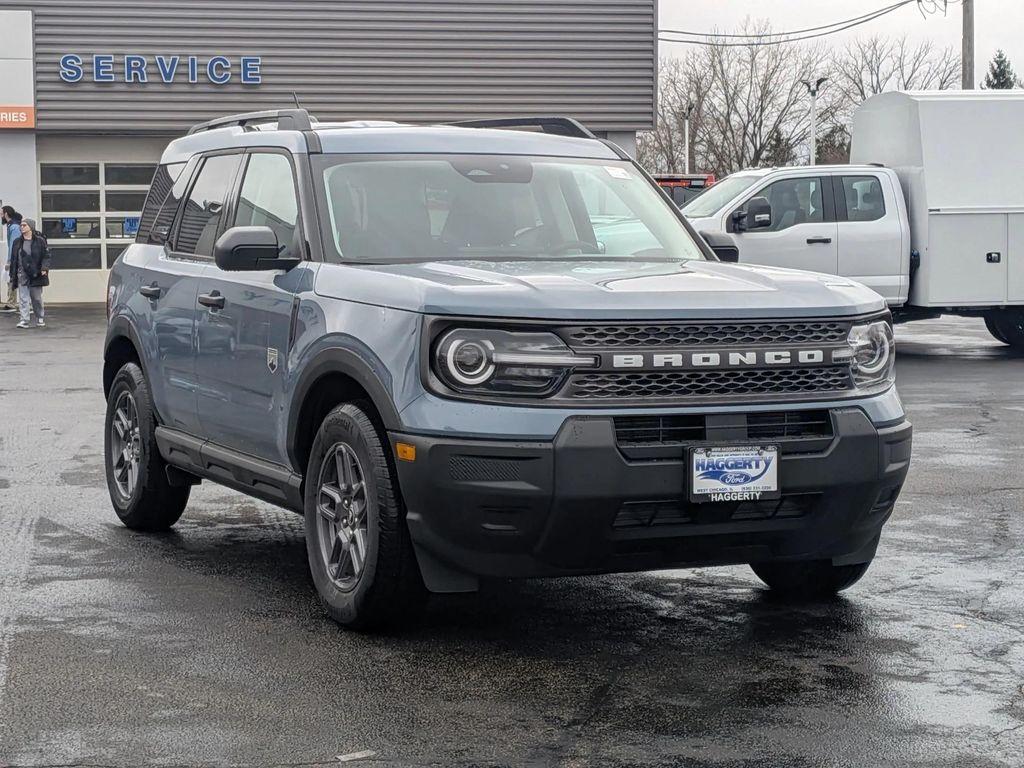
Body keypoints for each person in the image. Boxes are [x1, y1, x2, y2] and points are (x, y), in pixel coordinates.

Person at [9, 218, 50, 329]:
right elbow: (14, 258)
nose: (21, 227)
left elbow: (46, 256)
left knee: (36, 298)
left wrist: (44, 268)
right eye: (21, 225)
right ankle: (24, 319)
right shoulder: (17, 242)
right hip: (22, 273)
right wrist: (12, 272)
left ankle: (40, 317)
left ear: (30, 227)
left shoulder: (40, 241)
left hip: (35, 273)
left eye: (24, 225)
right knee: (23, 298)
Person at [1, 205, 21, 313]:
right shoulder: (11, 226)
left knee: (12, 279)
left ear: (6, 214)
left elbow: (14, 245)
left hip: (16, 258)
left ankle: (12, 302)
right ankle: (11, 301)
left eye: (1, 213)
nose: (0, 216)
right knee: (11, 279)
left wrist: (9, 261)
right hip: (15, 258)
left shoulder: (14, 227)